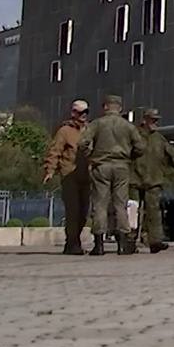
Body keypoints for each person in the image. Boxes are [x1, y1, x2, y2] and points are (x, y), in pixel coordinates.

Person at [78, 95, 145, 256]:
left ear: (105, 107)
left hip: (102, 166)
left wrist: (90, 156)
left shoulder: (97, 124)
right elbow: (141, 147)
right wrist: (130, 157)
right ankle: (122, 244)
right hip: (122, 166)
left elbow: (82, 143)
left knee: (100, 204)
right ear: (120, 108)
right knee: (120, 204)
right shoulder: (128, 126)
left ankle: (99, 245)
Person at [134, 107, 174, 253]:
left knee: (154, 211)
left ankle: (155, 241)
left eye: (156, 120)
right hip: (134, 178)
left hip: (153, 180)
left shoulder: (159, 139)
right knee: (133, 211)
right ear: (144, 120)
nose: (155, 123)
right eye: (152, 120)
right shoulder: (134, 135)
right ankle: (129, 240)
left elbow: (173, 157)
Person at [42, 99, 93, 255]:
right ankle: (72, 243)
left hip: (86, 176)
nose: (83, 115)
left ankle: (73, 241)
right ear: (73, 113)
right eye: (80, 112)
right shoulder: (64, 131)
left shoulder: (90, 130)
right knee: (73, 211)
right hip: (69, 176)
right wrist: (50, 170)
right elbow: (55, 151)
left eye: (86, 112)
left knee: (83, 213)